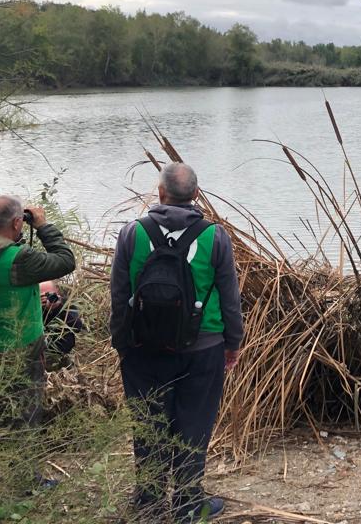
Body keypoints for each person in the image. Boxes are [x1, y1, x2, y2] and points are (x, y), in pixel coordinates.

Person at [111, 162, 243, 522]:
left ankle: (150, 503)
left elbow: (119, 295)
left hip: (142, 350)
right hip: (203, 348)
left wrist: (122, 344)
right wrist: (233, 342)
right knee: (194, 423)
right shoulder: (215, 237)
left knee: (148, 423)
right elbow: (230, 299)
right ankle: (188, 504)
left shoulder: (132, 233)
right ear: (196, 195)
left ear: (160, 193)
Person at [0, 197, 76, 481]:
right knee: (25, 414)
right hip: (19, 353)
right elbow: (66, 260)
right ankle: (25, 481)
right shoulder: (19, 259)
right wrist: (42, 226)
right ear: (18, 223)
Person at [40, 280, 83, 367]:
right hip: (40, 350)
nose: (48, 298)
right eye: (43, 296)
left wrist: (58, 308)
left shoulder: (66, 303)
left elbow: (77, 327)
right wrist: (39, 308)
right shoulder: (33, 307)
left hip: (61, 351)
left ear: (57, 291)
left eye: (49, 294)